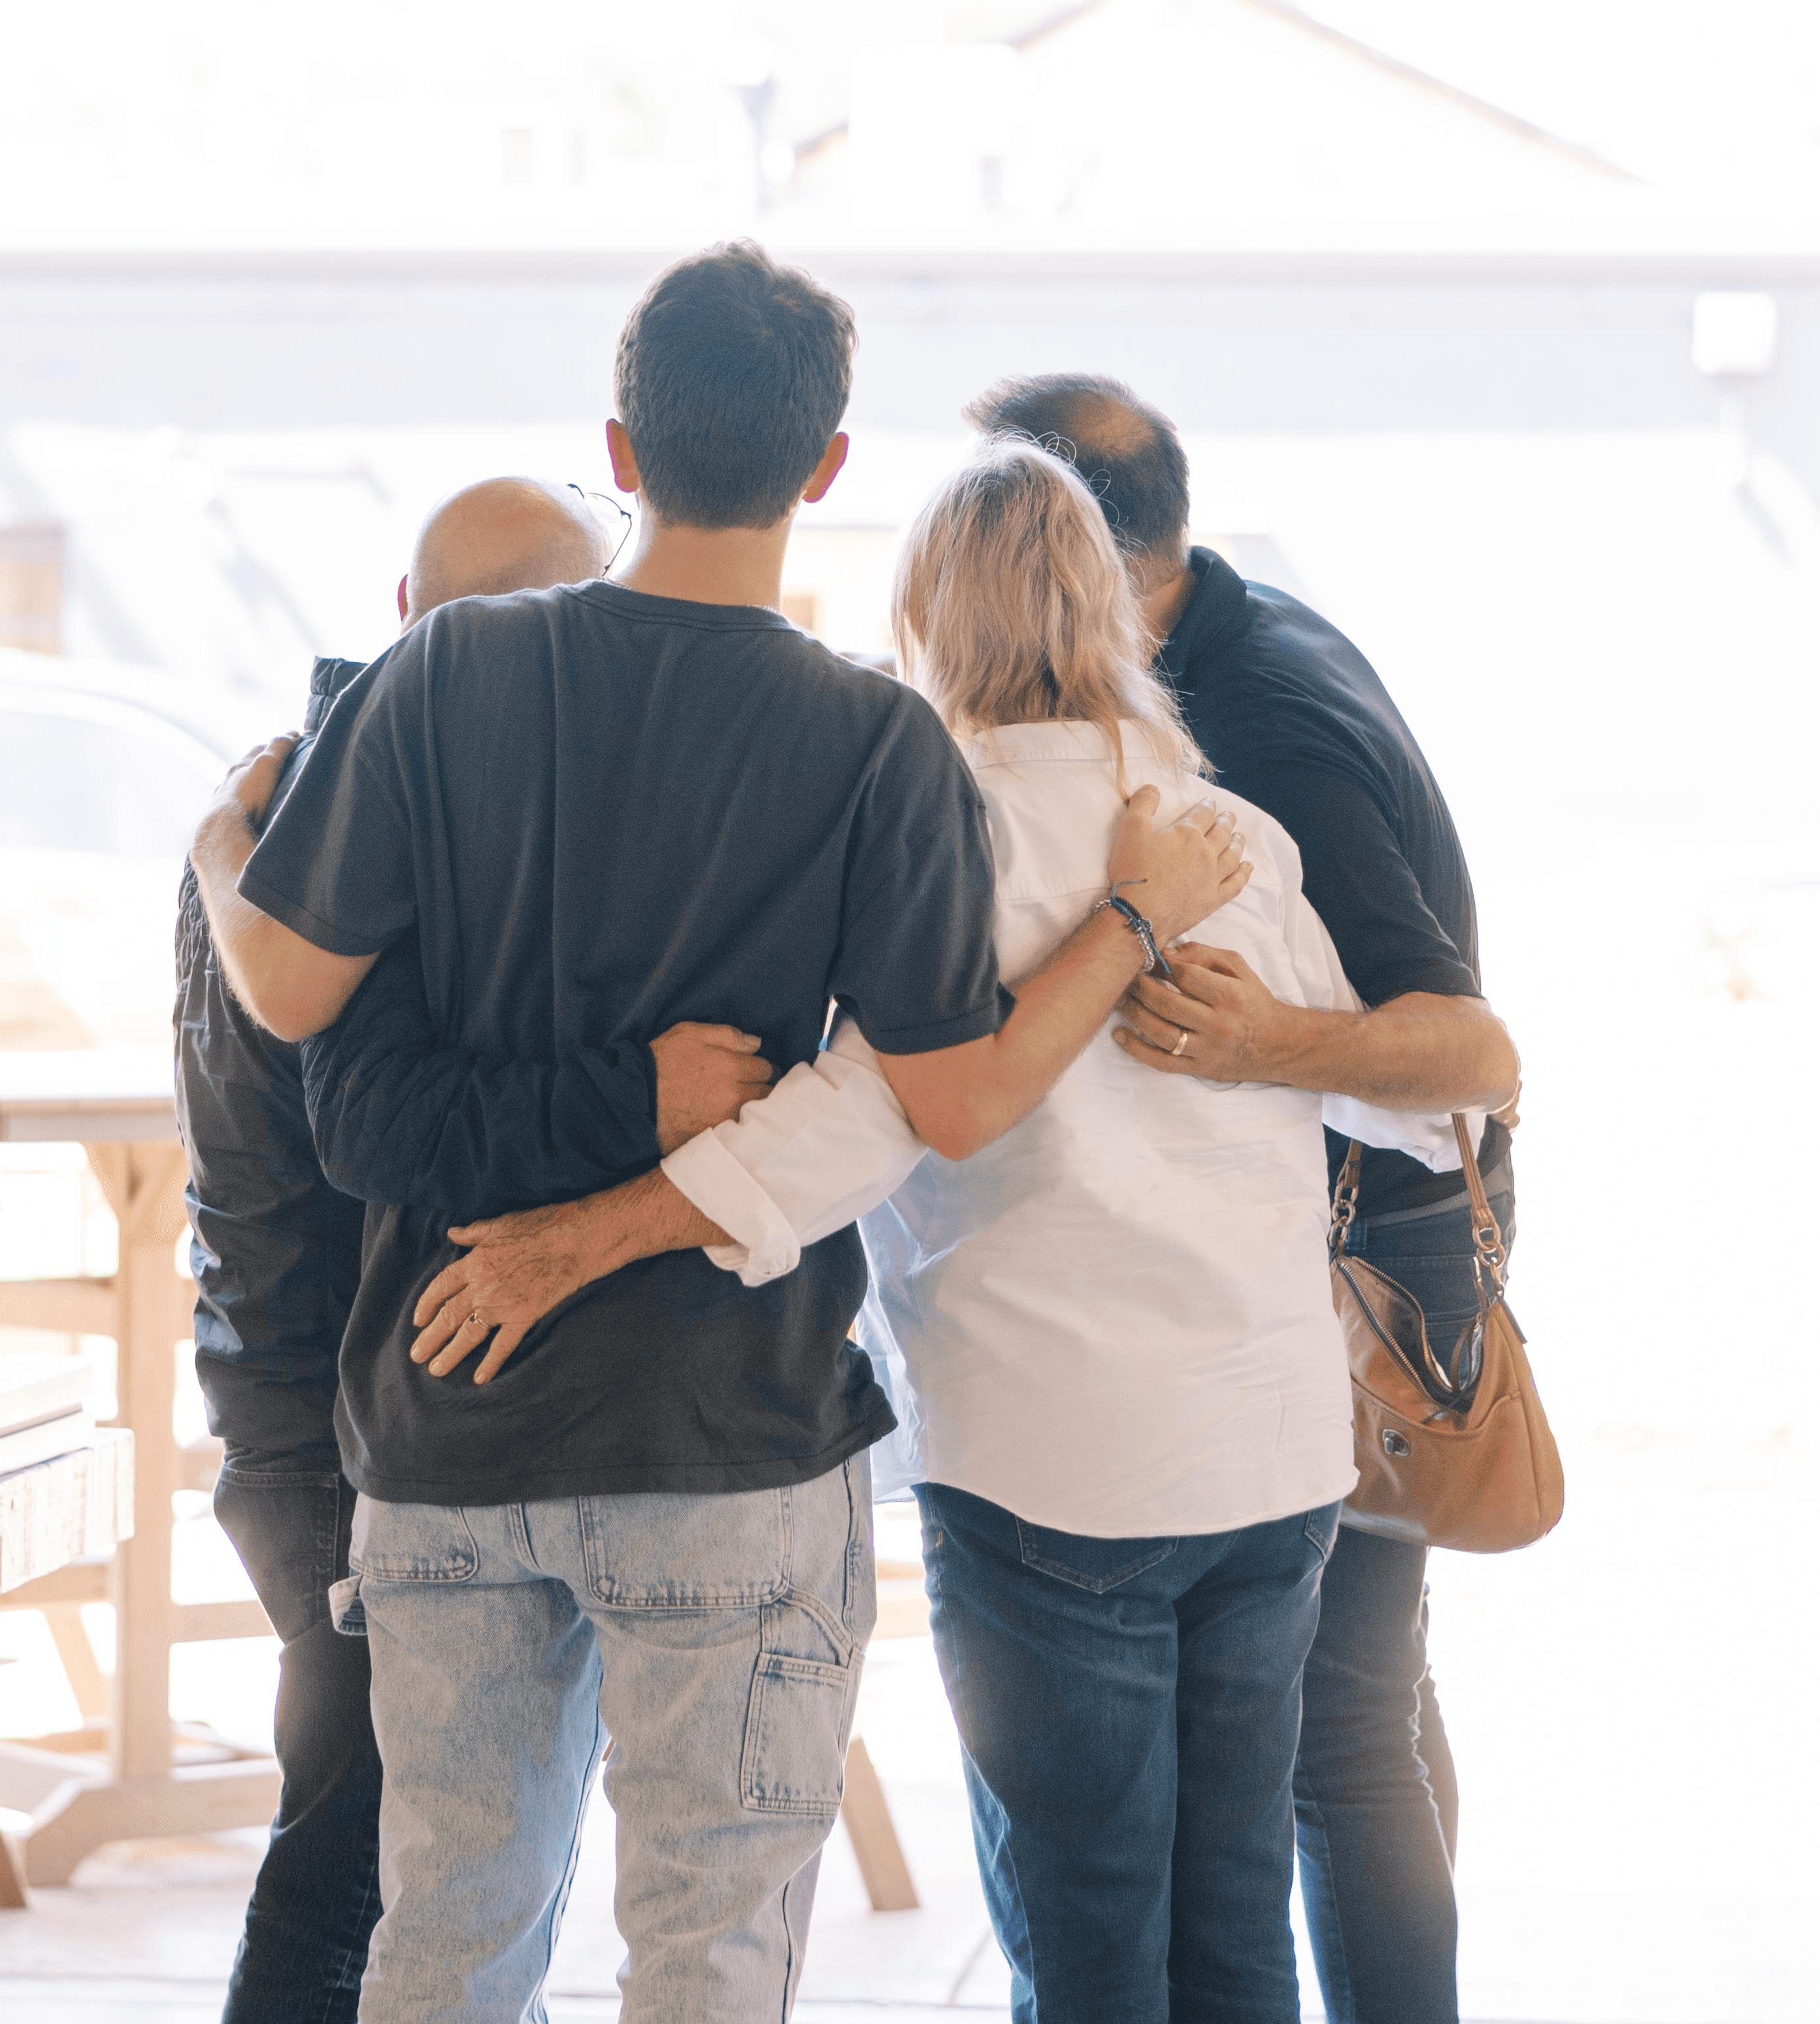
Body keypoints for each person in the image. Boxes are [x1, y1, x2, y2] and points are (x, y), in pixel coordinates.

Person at [187, 242, 1248, 2023]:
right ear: (827, 467)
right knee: (709, 1959)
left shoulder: (441, 671)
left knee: (445, 1940)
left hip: (445, 1427)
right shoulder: (873, 739)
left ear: (620, 442)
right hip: (725, 1436)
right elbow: (955, 1096)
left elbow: (290, 1000)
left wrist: (226, 856)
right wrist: (1133, 919)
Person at [400, 437, 1445, 2021]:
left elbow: (853, 1121)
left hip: (1053, 1467)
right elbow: (1406, 1100)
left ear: (926, 620)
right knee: (1234, 1915)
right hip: (1272, 1455)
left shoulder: (923, 825)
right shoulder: (1227, 835)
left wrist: (577, 1240)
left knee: (1090, 1931)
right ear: (1112, 611)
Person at [178, 473, 773, 2024]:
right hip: (343, 1426)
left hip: (295, 1401)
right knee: (366, 1881)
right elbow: (381, 1123)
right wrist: (641, 1090)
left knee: (396, 1869)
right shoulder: (373, 811)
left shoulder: (278, 804)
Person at [968, 374, 1520, 2024]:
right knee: (1360, 1725)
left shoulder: (1253, 716)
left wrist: (1260, 1036)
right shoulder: (1219, 630)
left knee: (1340, 1743)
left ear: (1071, 556)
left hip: (1375, 1248)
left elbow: (1474, 1051)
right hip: (1342, 1238)